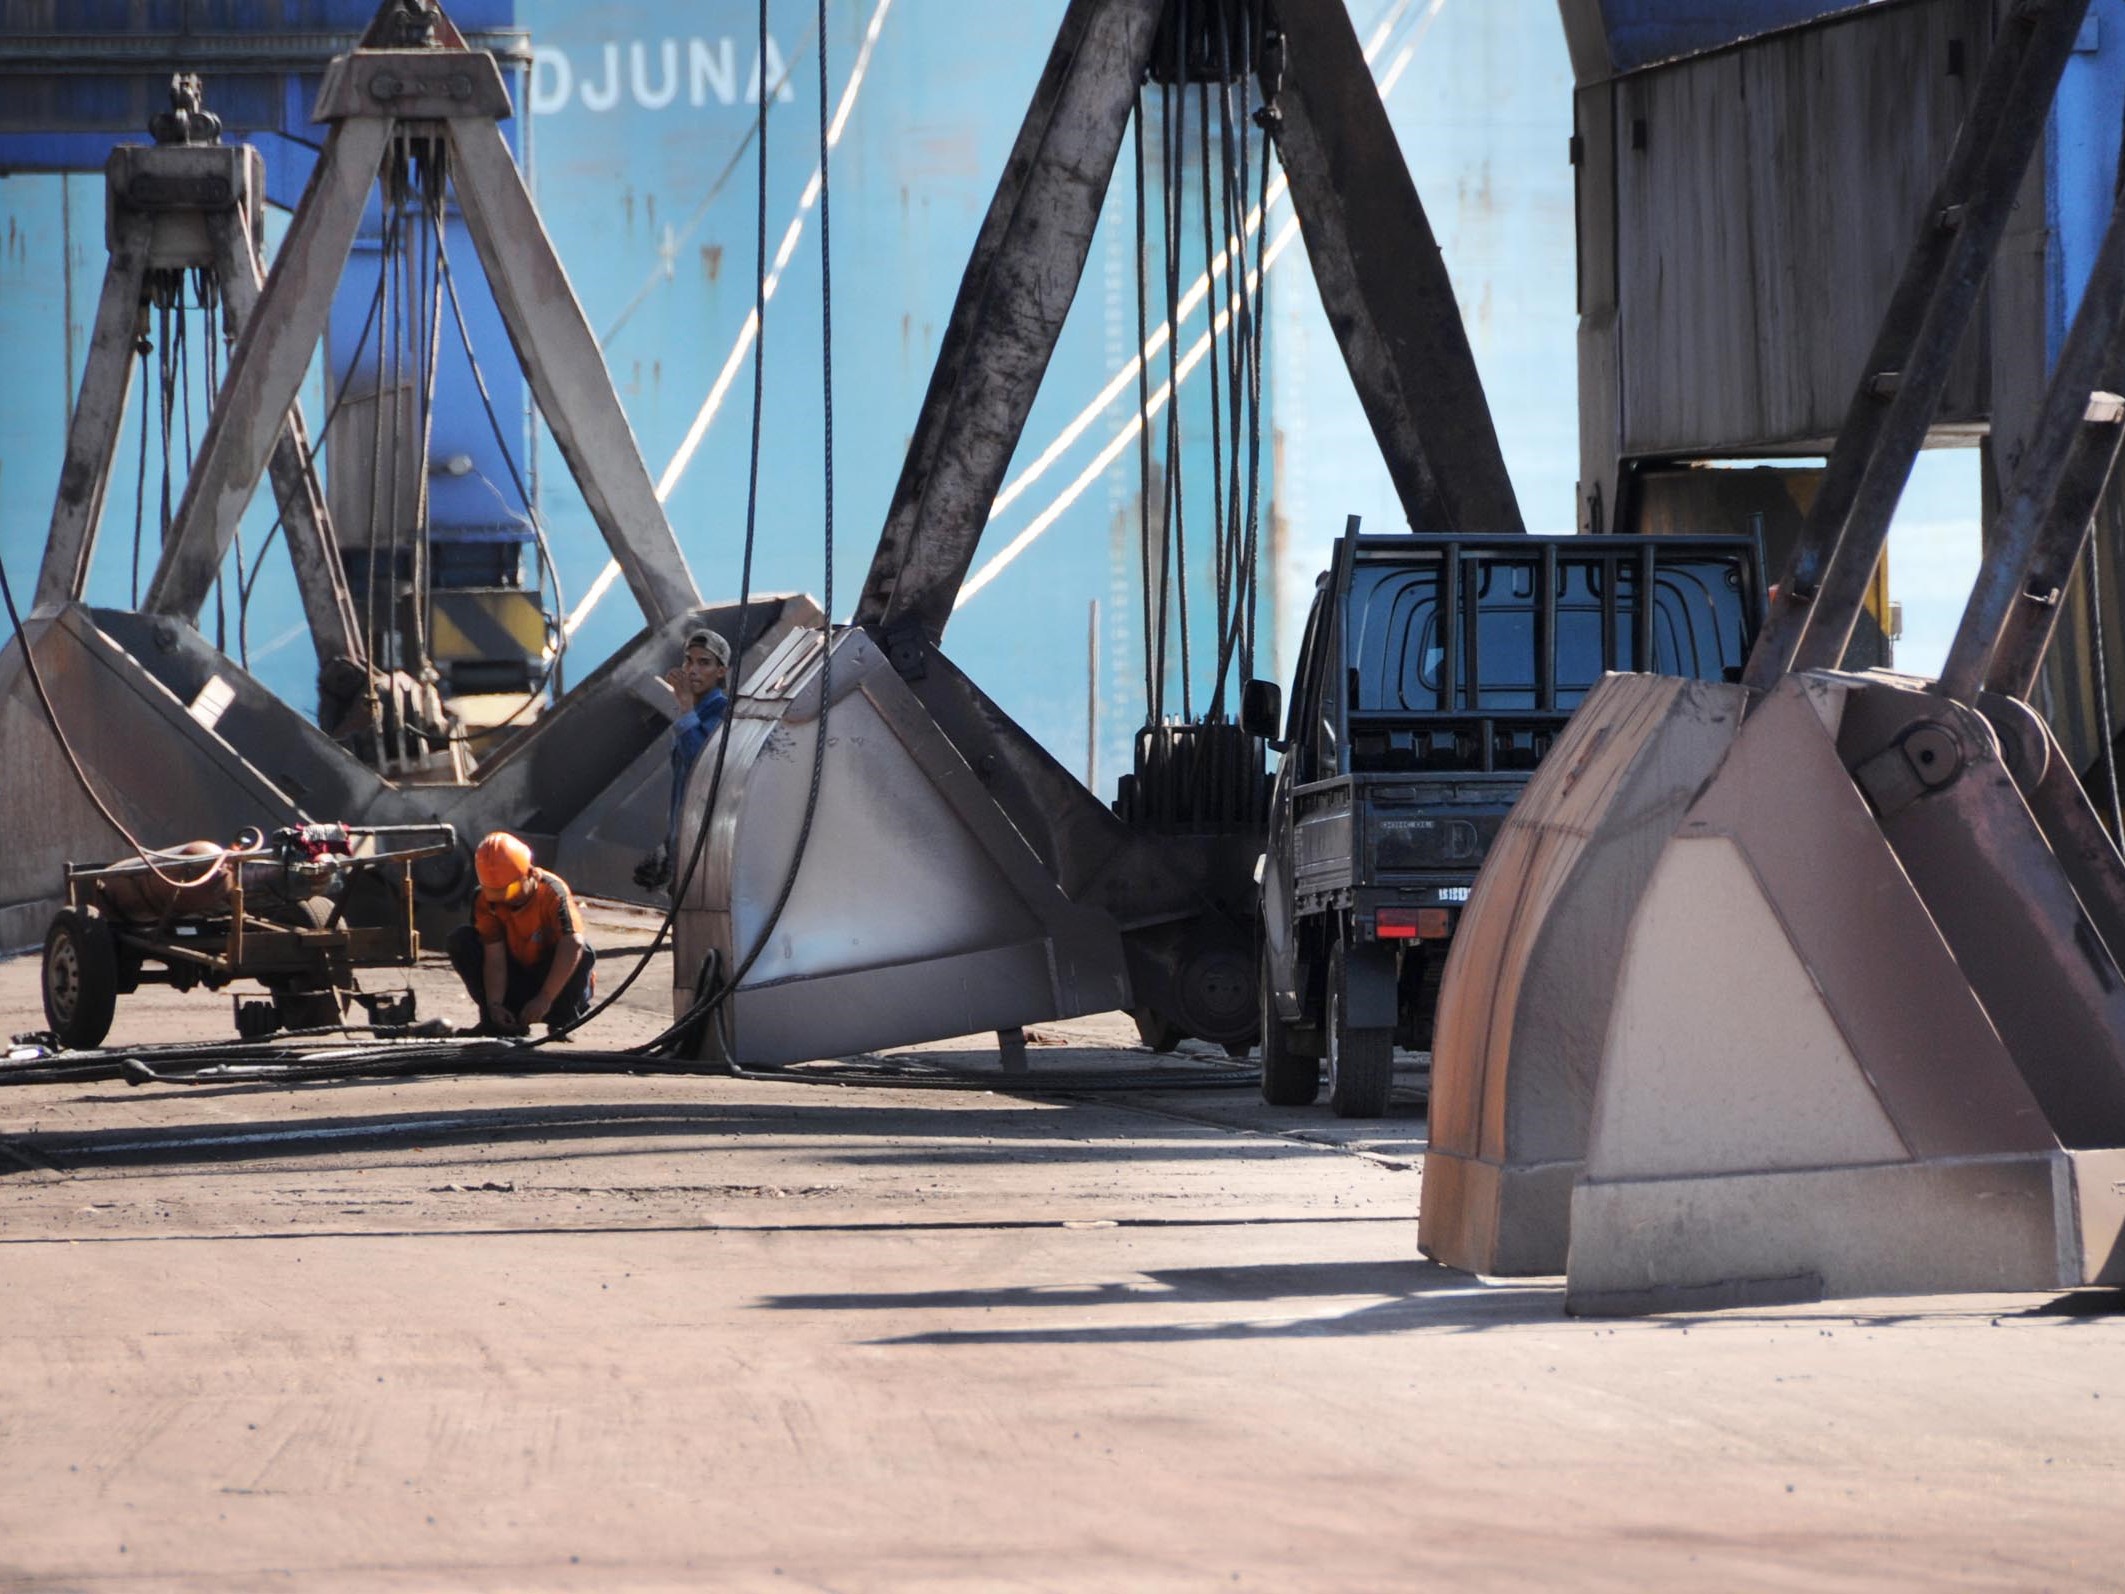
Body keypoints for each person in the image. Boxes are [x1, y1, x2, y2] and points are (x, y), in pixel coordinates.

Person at [449, 832, 597, 1036]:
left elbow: (573, 944)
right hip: (517, 977)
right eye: (496, 894)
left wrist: (545, 998)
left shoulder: (552, 893)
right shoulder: (485, 901)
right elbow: (494, 958)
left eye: (509, 892)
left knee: (582, 950)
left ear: (528, 874)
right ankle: (499, 1020)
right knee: (462, 941)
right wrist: (494, 1004)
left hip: (554, 984)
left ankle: (562, 1020)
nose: (505, 901)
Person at [634, 627, 731, 891]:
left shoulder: (724, 714)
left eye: (704, 663)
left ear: (720, 672)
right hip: (685, 842)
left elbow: (702, 763)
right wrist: (669, 843)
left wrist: (686, 706)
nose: (693, 670)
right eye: (689, 660)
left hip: (706, 847)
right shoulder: (693, 712)